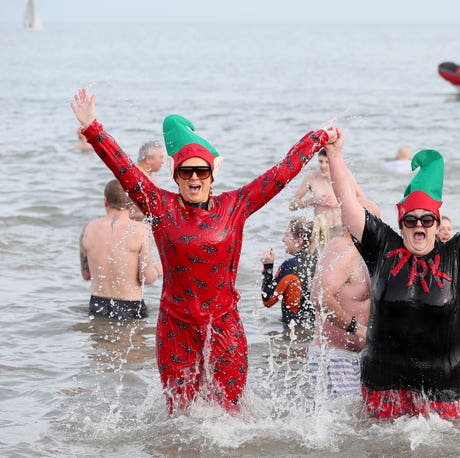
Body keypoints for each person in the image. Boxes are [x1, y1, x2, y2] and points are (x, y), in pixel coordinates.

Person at [71, 88, 338, 414]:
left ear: (212, 175)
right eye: (186, 171)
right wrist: (92, 129)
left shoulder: (235, 204)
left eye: (202, 171)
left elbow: (280, 173)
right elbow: (124, 170)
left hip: (223, 326)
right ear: (176, 176)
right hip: (175, 329)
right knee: (180, 419)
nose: (194, 177)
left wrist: (318, 136)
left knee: (229, 417)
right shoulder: (159, 205)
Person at [327, 128, 460, 420]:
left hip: (442, 392)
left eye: (427, 219)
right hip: (383, 386)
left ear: (437, 221)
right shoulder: (381, 247)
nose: (419, 225)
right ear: (401, 222)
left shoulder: (458, 255)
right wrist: (336, 154)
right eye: (411, 219)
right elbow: (349, 205)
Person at [307, 198, 381, 400]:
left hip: (356, 357)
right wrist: (357, 328)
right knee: (342, 427)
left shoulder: (362, 252)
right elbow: (319, 296)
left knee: (358, 426)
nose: (379, 227)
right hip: (334, 358)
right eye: (374, 220)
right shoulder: (342, 249)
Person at [80, 179, 161, 320]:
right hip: (130, 305)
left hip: (98, 304)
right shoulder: (141, 231)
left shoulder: (88, 229)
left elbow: (86, 275)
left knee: (100, 341)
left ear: (106, 201)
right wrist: (159, 269)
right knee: (133, 341)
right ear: (131, 202)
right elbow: (146, 277)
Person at [260, 216, 324, 337]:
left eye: (286, 235)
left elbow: (268, 300)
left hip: (295, 334)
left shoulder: (290, 266)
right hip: (317, 332)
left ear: (299, 241)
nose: (283, 240)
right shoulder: (323, 261)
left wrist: (268, 268)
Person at [289, 149, 365, 238]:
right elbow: (292, 205)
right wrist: (313, 201)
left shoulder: (345, 176)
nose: (323, 166)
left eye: (327, 162)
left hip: (342, 229)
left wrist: (341, 202)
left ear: (333, 163)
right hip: (322, 231)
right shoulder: (312, 177)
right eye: (320, 161)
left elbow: (363, 200)